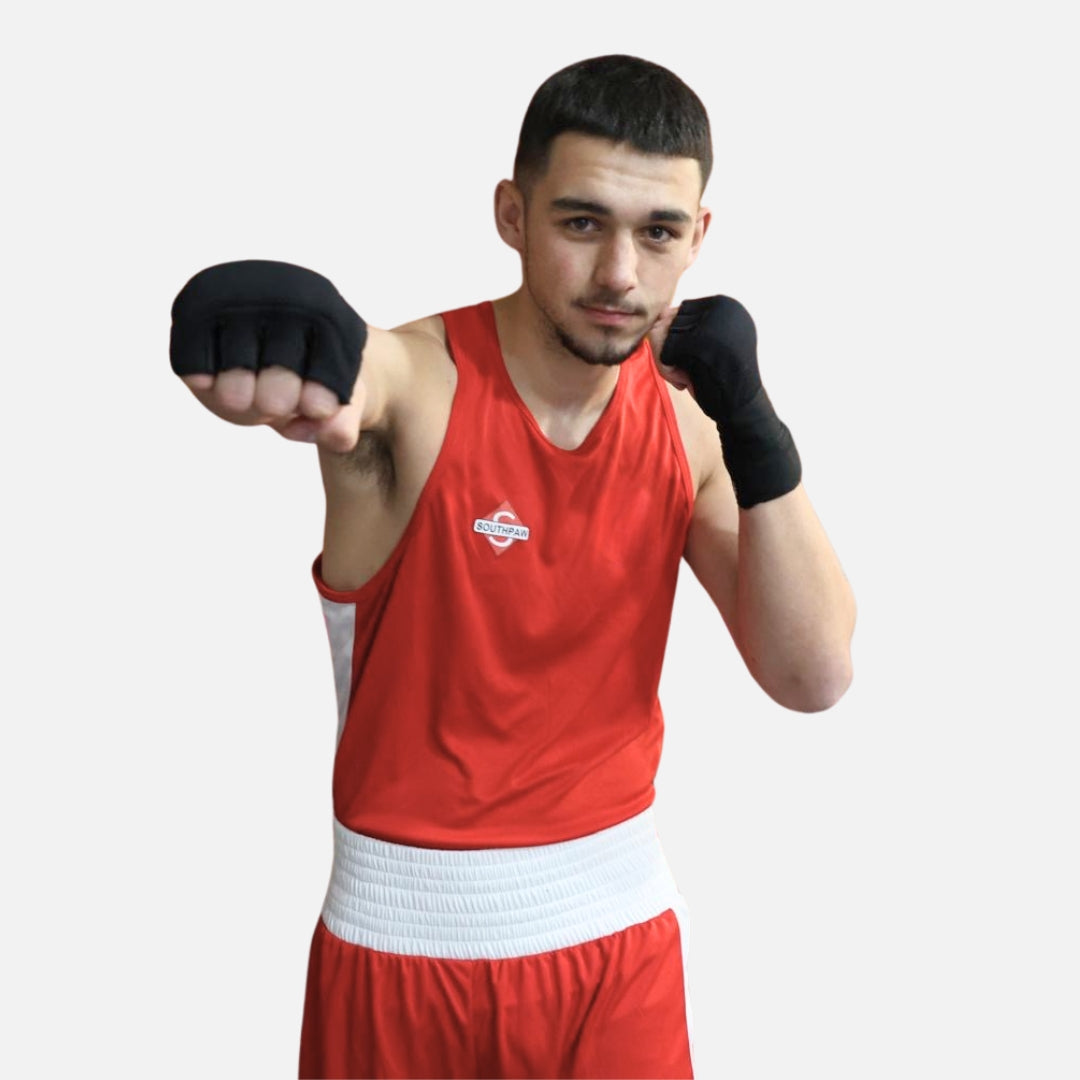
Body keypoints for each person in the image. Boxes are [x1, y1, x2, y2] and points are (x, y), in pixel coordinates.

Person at [171, 54, 855, 1080]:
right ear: (512, 214)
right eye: (582, 223)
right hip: (405, 953)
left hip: (618, 940)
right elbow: (351, 384)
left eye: (658, 232)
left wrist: (757, 429)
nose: (621, 273)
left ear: (698, 236)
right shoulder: (417, 383)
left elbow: (814, 677)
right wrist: (284, 355)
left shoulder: (694, 424)